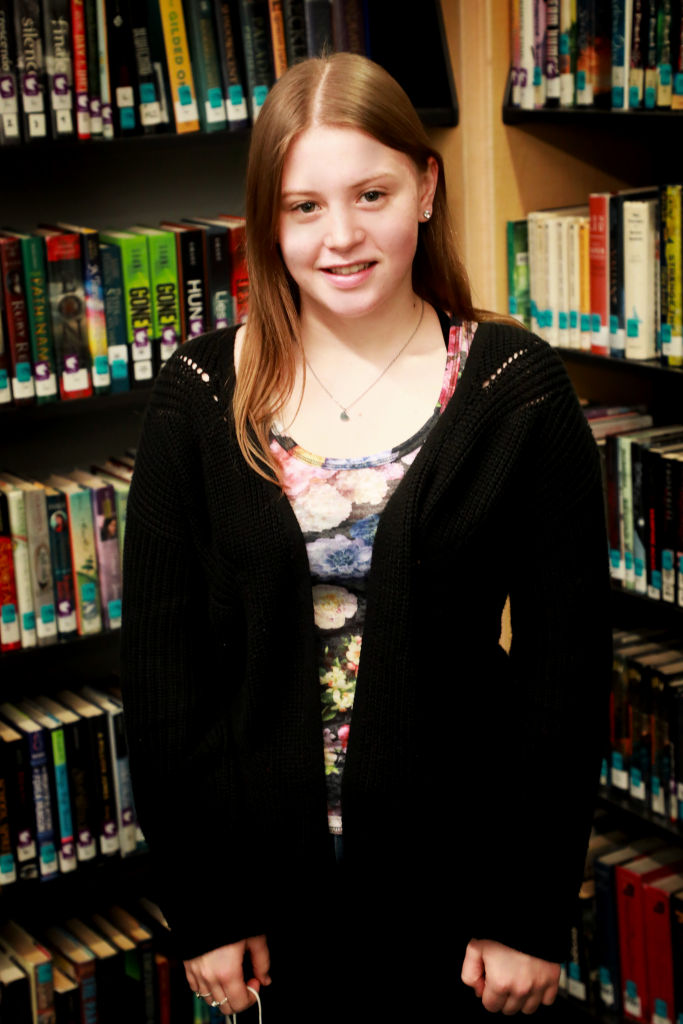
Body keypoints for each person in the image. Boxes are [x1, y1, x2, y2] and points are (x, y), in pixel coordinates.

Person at [120, 53, 612, 1021]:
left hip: (462, 893)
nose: (340, 236)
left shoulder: (514, 388)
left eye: (370, 192)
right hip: (268, 892)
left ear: (424, 188)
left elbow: (564, 670)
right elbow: (164, 675)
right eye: (302, 206)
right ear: (267, 219)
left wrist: (525, 909)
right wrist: (207, 905)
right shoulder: (200, 394)